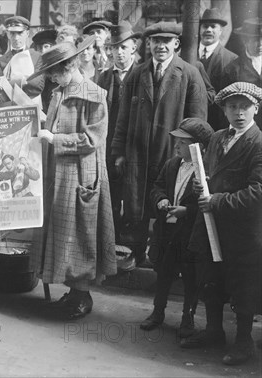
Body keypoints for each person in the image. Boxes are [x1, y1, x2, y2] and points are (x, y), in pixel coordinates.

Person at [30, 37, 116, 320]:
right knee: (64, 234)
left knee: (80, 235)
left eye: (54, 72)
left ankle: (83, 295)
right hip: (60, 171)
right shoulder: (60, 92)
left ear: (69, 66)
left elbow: (92, 139)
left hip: (81, 173)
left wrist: (55, 138)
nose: (52, 78)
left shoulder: (94, 94)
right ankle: (73, 292)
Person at [111, 22, 208, 266]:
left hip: (172, 153)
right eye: (155, 41)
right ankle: (135, 252)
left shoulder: (189, 73)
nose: (160, 46)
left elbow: (198, 122)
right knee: (137, 205)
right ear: (148, 44)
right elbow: (122, 118)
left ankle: (166, 260)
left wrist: (190, 157)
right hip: (138, 153)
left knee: (169, 204)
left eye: (166, 41)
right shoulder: (137, 73)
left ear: (176, 43)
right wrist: (119, 153)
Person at [181, 82, 262, 365]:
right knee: (210, 278)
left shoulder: (259, 143)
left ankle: (244, 341)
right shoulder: (216, 138)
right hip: (211, 224)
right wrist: (199, 186)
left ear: (256, 108)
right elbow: (208, 175)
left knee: (243, 285)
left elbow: (258, 191)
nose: (239, 113)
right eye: (232, 107)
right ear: (225, 110)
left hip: (242, 230)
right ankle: (214, 330)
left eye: (245, 107)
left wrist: (216, 200)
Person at [139, 118, 214, 339]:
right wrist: (161, 199)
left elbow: (207, 201)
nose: (176, 146)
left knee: (190, 276)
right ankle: (157, 311)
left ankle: (187, 317)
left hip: (189, 233)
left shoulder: (206, 171)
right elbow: (158, 186)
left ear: (198, 147)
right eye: (177, 142)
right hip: (167, 230)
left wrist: (187, 211)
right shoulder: (172, 164)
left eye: (182, 143)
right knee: (163, 272)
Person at [97, 21, 141, 240]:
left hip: (135, 147)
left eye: (124, 46)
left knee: (133, 197)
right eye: (115, 47)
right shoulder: (104, 78)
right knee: (111, 196)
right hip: (108, 146)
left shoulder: (143, 74)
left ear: (134, 47)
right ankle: (111, 242)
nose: (119, 52)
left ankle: (133, 244)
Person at [199, 8, 238, 131]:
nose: (208, 30)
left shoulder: (232, 59)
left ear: (220, 30)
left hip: (218, 123)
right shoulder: (186, 55)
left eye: (213, 26)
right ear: (199, 29)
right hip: (191, 118)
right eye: (205, 26)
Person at [0, 16, 45, 104]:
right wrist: (25, 80)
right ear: (8, 34)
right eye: (12, 33)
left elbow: (37, 86)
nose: (16, 38)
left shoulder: (38, 57)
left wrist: (10, 83)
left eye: (20, 33)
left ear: (27, 33)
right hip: (9, 109)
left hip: (33, 107)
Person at [221, 18, 262, 129]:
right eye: (255, 40)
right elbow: (226, 104)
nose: (260, 44)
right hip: (245, 128)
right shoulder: (233, 69)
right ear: (245, 41)